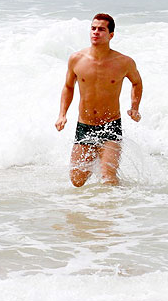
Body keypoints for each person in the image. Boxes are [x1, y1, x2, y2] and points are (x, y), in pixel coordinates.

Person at [55, 13, 143, 186]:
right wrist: (62, 114)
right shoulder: (76, 59)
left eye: (101, 29)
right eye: (93, 28)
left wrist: (135, 107)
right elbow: (68, 87)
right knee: (77, 181)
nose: (96, 32)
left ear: (111, 35)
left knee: (108, 179)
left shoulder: (124, 62)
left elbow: (137, 83)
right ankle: (98, 160)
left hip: (110, 124)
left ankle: (112, 209)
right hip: (85, 125)